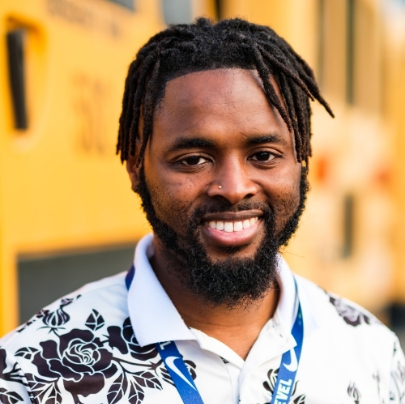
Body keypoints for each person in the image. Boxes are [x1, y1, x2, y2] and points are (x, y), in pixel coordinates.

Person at [0, 17, 404, 404]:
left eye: (263, 155)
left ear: (301, 160)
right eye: (193, 159)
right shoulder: (30, 373)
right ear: (136, 167)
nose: (234, 188)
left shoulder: (371, 353)